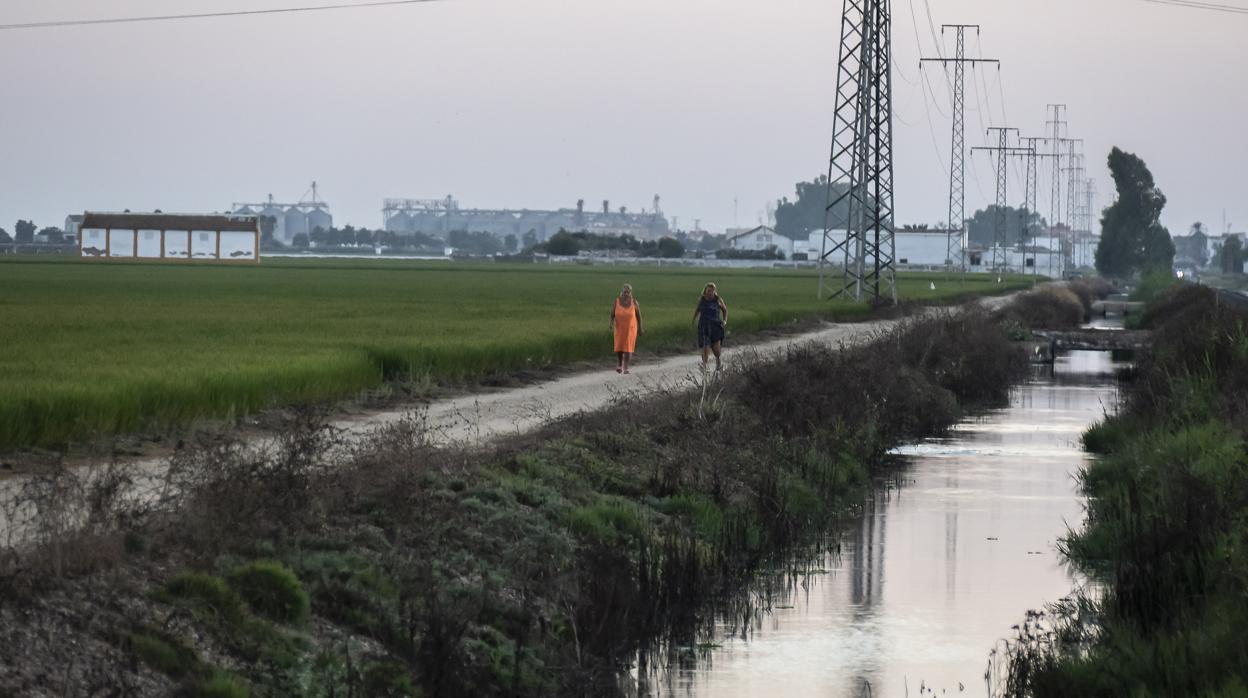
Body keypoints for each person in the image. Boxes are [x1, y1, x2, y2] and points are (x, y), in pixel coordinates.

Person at [692, 282, 728, 371]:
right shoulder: (702, 300)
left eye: (712, 291)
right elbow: (697, 310)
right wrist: (694, 320)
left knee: (716, 349)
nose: (710, 293)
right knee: (705, 345)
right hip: (704, 325)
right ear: (705, 291)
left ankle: (718, 361)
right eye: (708, 291)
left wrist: (724, 321)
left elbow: (725, 310)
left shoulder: (718, 300)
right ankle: (705, 365)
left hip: (715, 326)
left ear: (714, 291)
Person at [610, 283, 642, 374]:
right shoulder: (616, 301)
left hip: (631, 328)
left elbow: (639, 316)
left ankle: (626, 367)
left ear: (630, 293)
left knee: (628, 348)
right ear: (622, 292)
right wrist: (611, 323)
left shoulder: (634, 302)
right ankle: (620, 364)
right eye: (625, 292)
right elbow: (612, 314)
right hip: (619, 328)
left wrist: (640, 328)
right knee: (619, 347)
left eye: (628, 292)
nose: (626, 294)